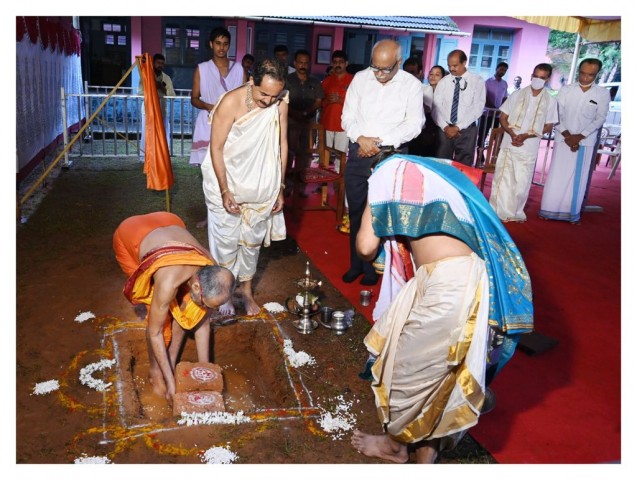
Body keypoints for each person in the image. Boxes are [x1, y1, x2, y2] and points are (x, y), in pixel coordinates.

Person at [351, 154, 533, 463]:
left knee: (405, 371)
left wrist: (372, 206)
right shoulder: (437, 171)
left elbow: (366, 247)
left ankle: (397, 446)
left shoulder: (385, 174)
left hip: (449, 282)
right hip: (451, 276)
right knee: (438, 373)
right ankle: (424, 457)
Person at [113, 212, 235, 403]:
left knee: (187, 311)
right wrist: (170, 384)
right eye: (205, 303)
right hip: (131, 234)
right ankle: (155, 372)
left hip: (170, 221)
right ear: (196, 286)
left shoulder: (211, 269)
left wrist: (206, 371)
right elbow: (155, 333)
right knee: (160, 321)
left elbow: (202, 322)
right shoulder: (168, 281)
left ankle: (169, 362)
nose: (206, 309)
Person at [201, 58, 289, 316]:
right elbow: (215, 148)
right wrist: (225, 190)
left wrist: (280, 186)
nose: (269, 101)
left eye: (275, 96)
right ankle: (225, 292)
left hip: (262, 183)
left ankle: (246, 291)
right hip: (227, 179)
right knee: (226, 240)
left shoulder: (280, 103)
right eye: (263, 94)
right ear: (252, 81)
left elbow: (282, 144)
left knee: (252, 242)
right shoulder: (230, 102)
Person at [341, 39, 424, 286]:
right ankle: (357, 263)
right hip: (359, 151)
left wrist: (377, 142)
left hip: (391, 154)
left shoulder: (411, 85)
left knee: (383, 213)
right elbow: (348, 116)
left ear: (399, 62)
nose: (378, 74)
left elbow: (414, 124)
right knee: (356, 211)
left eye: (385, 69)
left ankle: (380, 269)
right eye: (375, 67)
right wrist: (361, 138)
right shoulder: (361, 79)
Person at [539, 58, 610, 223]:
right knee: (557, 175)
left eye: (590, 75)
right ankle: (548, 210)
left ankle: (571, 214)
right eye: (583, 74)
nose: (585, 78)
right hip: (563, 138)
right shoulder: (566, 90)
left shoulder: (602, 93)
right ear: (579, 71)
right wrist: (568, 135)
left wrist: (580, 136)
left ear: (597, 74)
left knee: (577, 178)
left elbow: (600, 118)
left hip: (585, 142)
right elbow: (557, 114)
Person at [489, 63, 558, 222]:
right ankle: (496, 211)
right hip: (509, 142)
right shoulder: (516, 94)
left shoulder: (550, 101)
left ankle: (514, 213)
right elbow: (503, 117)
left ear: (547, 79)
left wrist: (526, 136)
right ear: (531, 76)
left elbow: (548, 126)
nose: (537, 80)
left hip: (529, 146)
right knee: (502, 178)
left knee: (521, 181)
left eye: (542, 78)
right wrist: (513, 134)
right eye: (535, 76)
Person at [189, 27, 245, 167]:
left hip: (233, 124)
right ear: (211, 44)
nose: (221, 47)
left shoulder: (239, 69)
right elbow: (194, 99)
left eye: (225, 44)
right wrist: (209, 106)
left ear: (229, 46)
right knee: (208, 166)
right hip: (208, 122)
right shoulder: (202, 69)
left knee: (230, 166)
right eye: (218, 43)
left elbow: (245, 99)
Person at [432, 49, 486, 166]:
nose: (451, 69)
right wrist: (446, 127)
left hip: (467, 130)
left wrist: (458, 127)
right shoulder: (444, 82)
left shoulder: (477, 81)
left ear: (464, 62)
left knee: (464, 166)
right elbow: (436, 108)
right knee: (441, 165)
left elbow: (478, 108)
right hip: (444, 129)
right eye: (449, 65)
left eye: (455, 65)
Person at [285, 49, 325, 191]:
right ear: (295, 63)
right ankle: (287, 188)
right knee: (288, 154)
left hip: (309, 122)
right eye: (300, 62)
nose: (303, 65)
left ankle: (301, 188)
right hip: (291, 121)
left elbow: (319, 101)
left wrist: (306, 112)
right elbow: (283, 102)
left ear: (309, 64)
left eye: (306, 63)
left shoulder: (315, 81)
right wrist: (295, 114)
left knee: (306, 154)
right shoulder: (287, 81)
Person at [138, 53, 175, 162]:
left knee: (163, 134)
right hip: (148, 111)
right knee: (147, 134)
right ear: (153, 63)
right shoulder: (146, 77)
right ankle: (144, 157)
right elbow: (139, 92)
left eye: (162, 64)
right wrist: (152, 87)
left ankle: (162, 156)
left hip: (162, 111)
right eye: (158, 63)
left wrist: (163, 89)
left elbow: (172, 96)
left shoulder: (166, 78)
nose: (160, 65)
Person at [320, 50, 353, 155]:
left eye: (341, 62)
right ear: (332, 64)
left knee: (341, 157)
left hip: (344, 124)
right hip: (327, 122)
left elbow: (357, 104)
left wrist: (340, 100)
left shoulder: (353, 80)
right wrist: (327, 101)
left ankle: (339, 172)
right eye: (335, 62)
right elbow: (320, 102)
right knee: (325, 155)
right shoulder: (326, 81)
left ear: (346, 63)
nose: (337, 64)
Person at [477, 62, 509, 164]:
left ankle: (494, 158)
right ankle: (479, 157)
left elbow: (504, 97)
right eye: (501, 69)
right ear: (496, 69)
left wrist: (501, 109)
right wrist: (494, 108)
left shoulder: (505, 84)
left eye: (504, 70)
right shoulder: (488, 82)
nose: (502, 71)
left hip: (497, 116)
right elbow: (484, 97)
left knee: (498, 137)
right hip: (486, 115)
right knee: (482, 136)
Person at [421, 65, 448, 156]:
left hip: (440, 128)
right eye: (431, 74)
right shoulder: (422, 90)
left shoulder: (446, 94)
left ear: (443, 78)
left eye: (437, 75)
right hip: (424, 128)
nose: (433, 76)